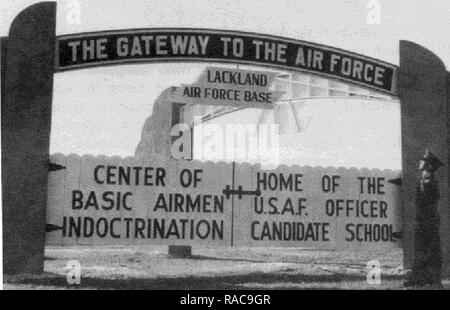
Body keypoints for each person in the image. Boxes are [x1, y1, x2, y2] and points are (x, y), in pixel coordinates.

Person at [404, 149, 443, 287]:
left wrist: (421, 220)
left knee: (426, 250)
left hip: (426, 221)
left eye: (423, 161)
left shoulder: (428, 181)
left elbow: (427, 204)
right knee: (424, 250)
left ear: (429, 166)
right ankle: (422, 278)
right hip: (426, 221)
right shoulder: (425, 180)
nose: (420, 162)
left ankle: (425, 279)